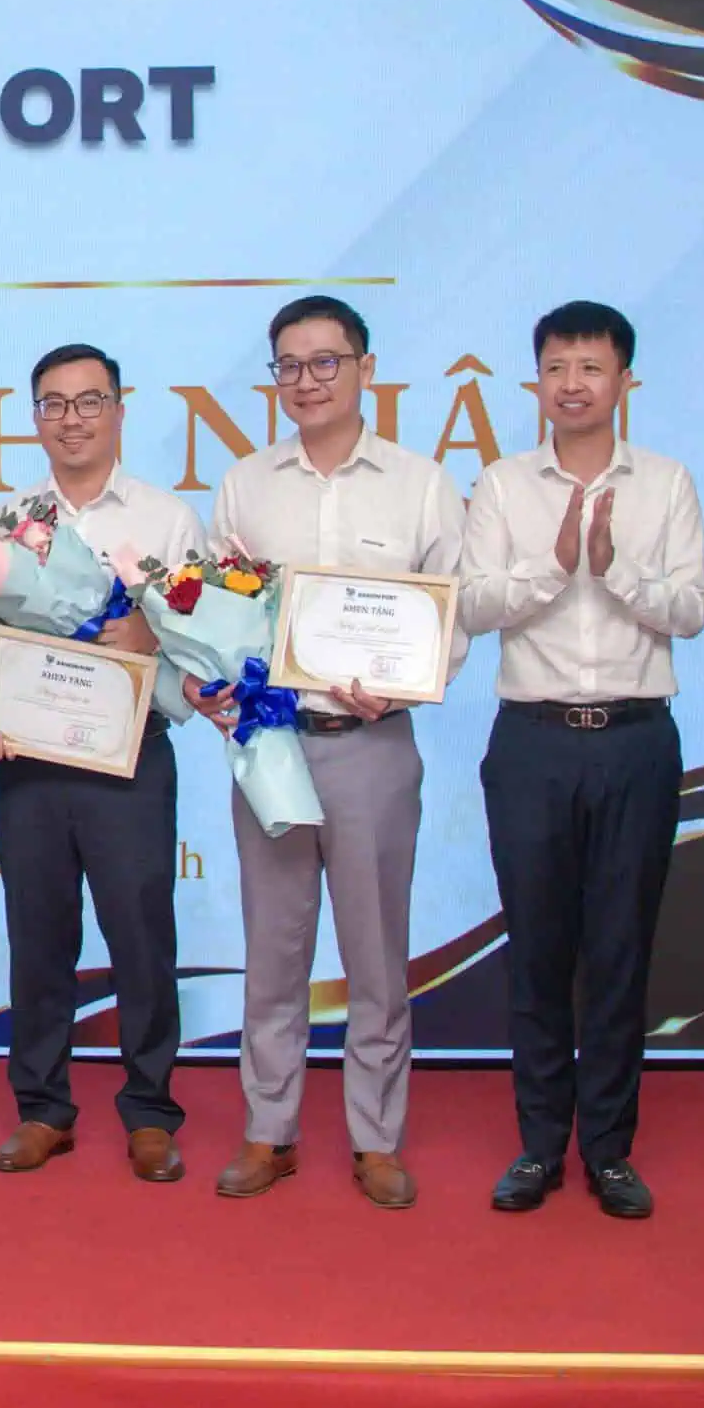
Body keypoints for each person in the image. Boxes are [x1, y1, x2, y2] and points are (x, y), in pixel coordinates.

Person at [207, 296, 466, 1209]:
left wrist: (405, 684)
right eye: (289, 365)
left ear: (365, 368)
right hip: (274, 746)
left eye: (326, 362)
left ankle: (376, 1137)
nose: (307, 380)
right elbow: (217, 609)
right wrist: (217, 681)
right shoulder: (245, 485)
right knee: (273, 949)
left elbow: (452, 617)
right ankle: (268, 1128)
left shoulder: (420, 484)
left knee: (376, 954)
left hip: (373, 745)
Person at [462, 301, 704, 1221]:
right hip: (532, 741)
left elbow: (693, 610)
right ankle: (538, 1146)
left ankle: (608, 1149)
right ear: (537, 381)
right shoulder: (501, 485)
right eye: (557, 367)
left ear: (624, 380)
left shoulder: (667, 483)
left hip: (637, 740)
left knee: (618, 948)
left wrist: (615, 569)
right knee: (536, 946)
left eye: (591, 367)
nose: (572, 383)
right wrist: (556, 562)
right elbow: (472, 606)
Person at [0, 344, 203, 1183]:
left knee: (141, 934)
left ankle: (150, 1109)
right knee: (38, 935)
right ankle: (43, 1107)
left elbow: (206, 636)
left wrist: (152, 634)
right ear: (35, 418)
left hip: (131, 755)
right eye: (55, 404)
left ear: (119, 410)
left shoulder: (167, 519)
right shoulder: (5, 522)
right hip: (29, 759)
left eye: (89, 401)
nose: (73, 419)